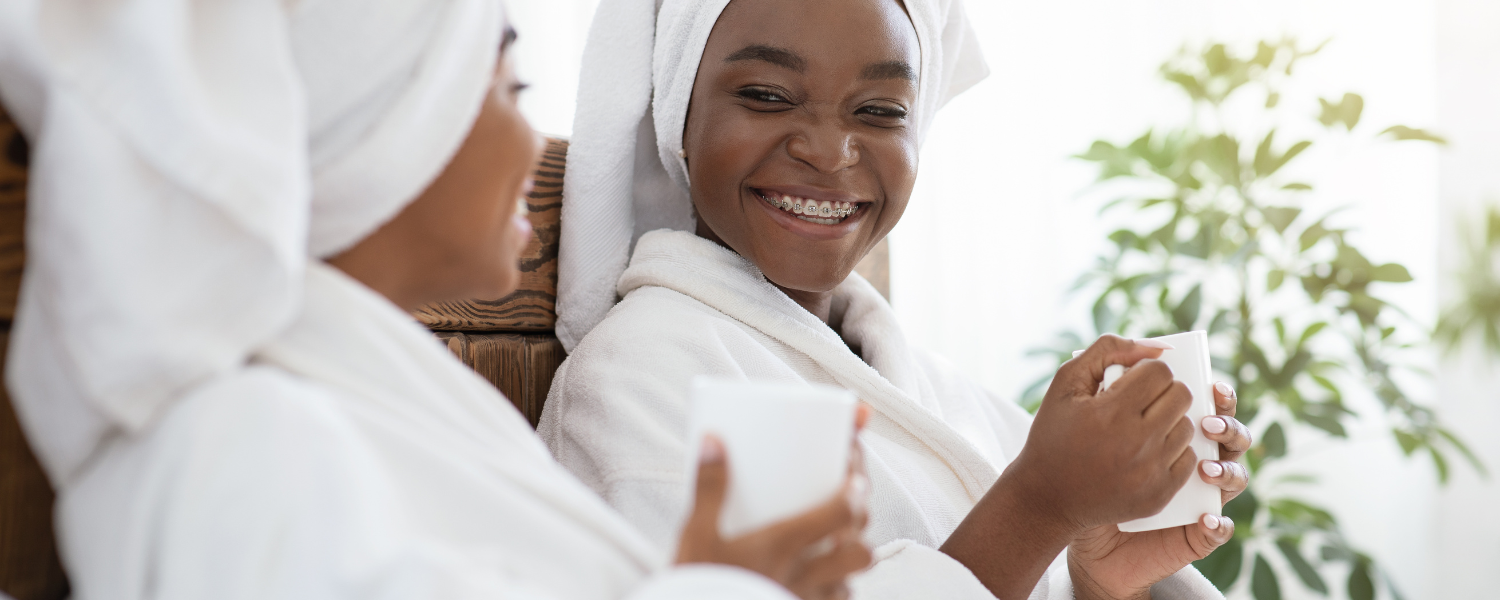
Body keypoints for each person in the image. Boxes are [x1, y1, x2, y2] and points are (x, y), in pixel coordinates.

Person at [0, 1, 871, 598]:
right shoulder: (239, 447)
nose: (536, 142)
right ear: (385, 135)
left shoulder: (386, 414)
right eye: (507, 90)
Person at [538, 0, 1253, 598]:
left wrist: (1098, 579)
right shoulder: (646, 379)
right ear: (676, 113)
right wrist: (1039, 506)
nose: (828, 150)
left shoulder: (930, 386)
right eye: (765, 95)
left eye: (879, 110)